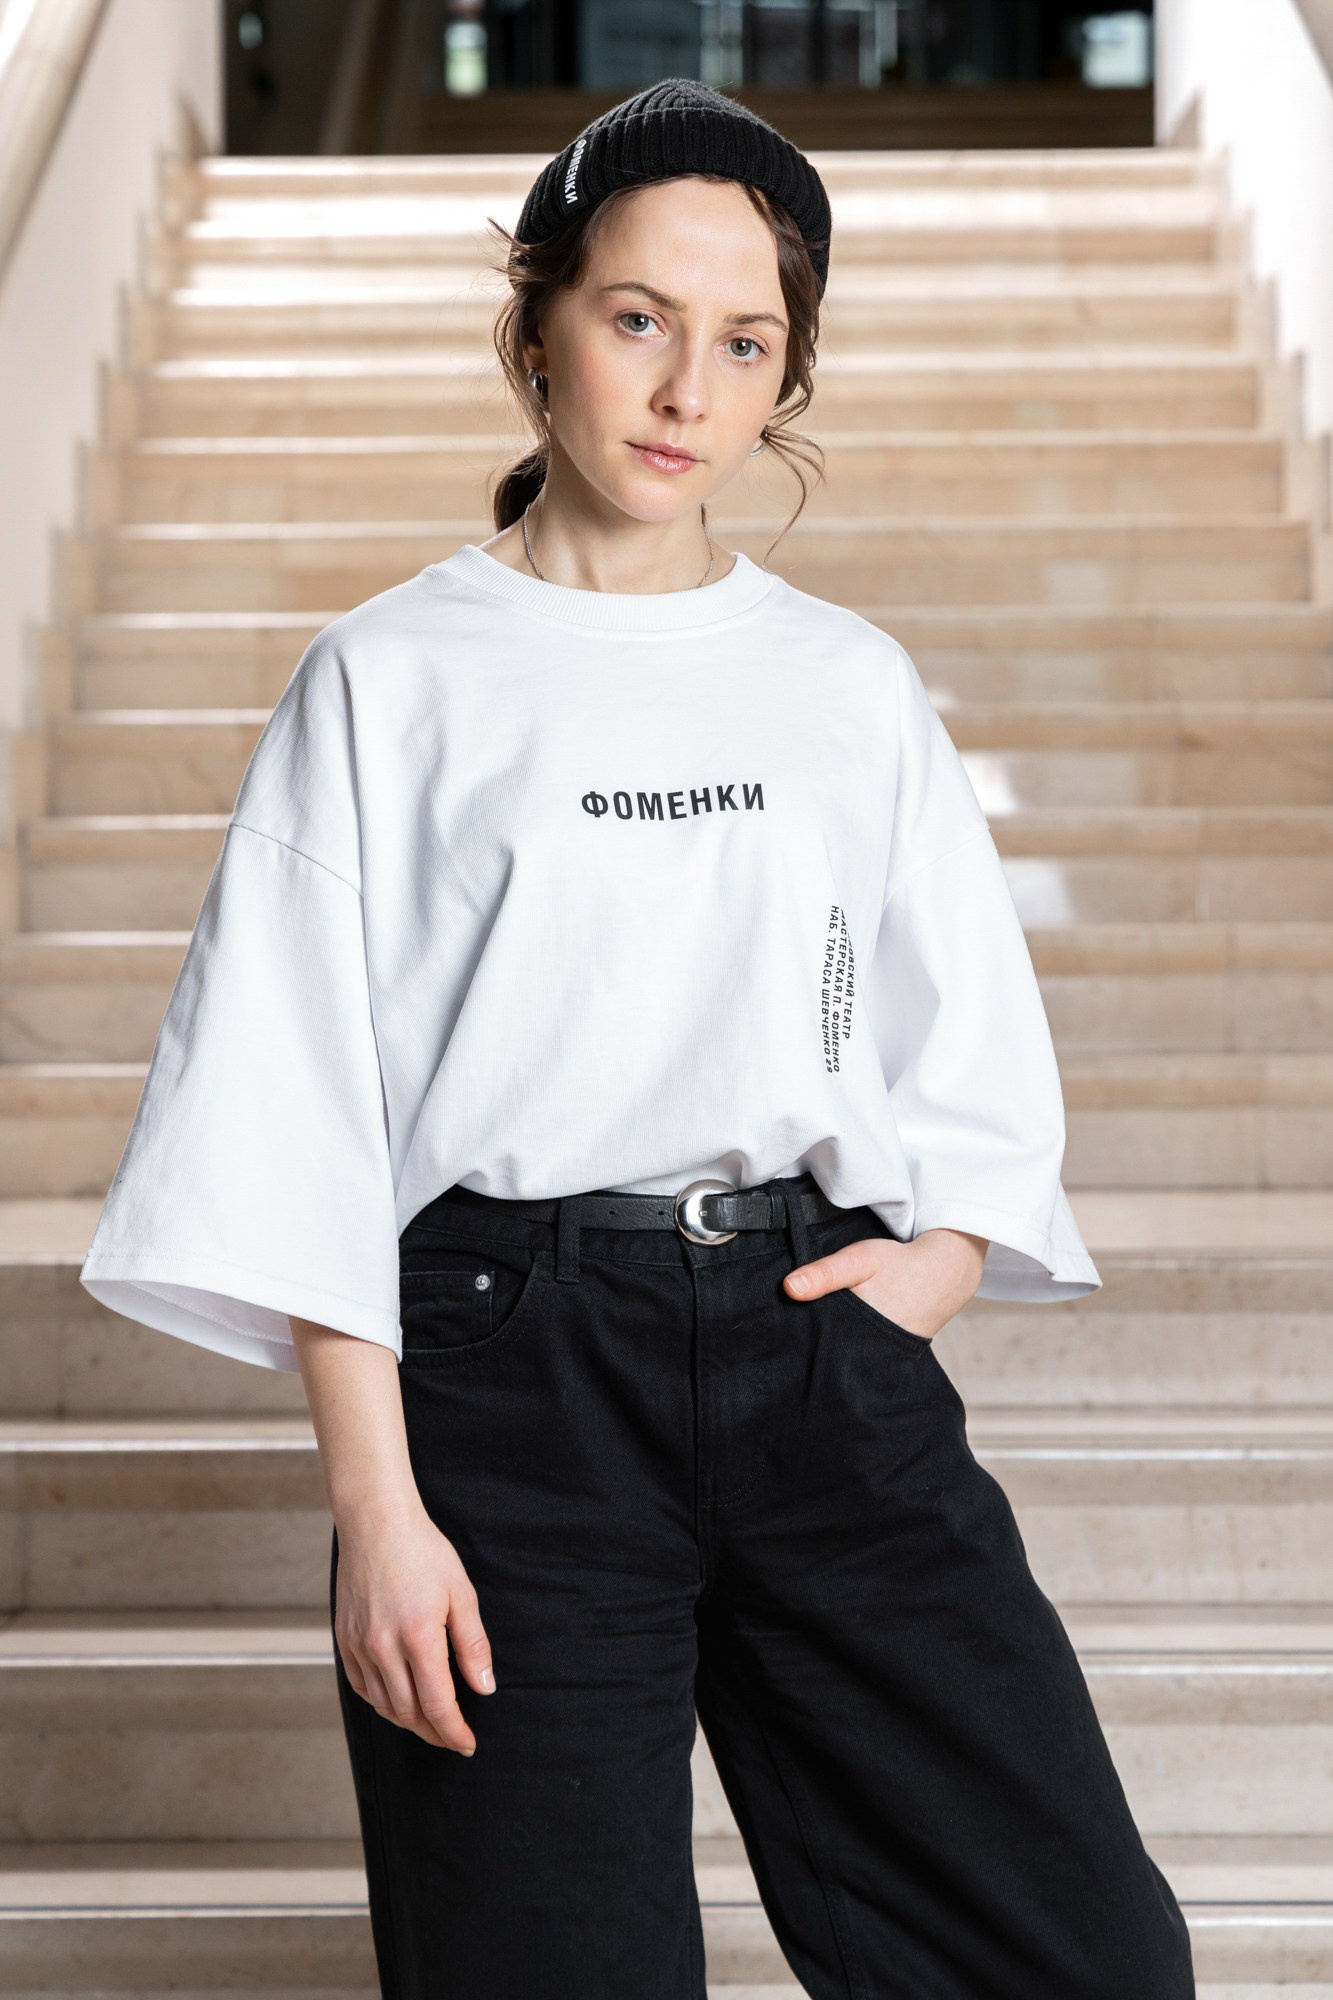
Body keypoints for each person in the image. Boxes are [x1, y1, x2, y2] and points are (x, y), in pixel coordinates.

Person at [79, 78, 1195, 2000]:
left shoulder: (843, 683)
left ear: (786, 378)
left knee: (1074, 1956)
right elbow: (288, 1108)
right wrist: (378, 1512)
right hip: (503, 1386)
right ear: (534, 331)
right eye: (636, 319)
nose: (686, 389)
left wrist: (918, 1281)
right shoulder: (388, 678)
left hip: (814, 1350)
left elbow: (964, 1041)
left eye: (744, 341)